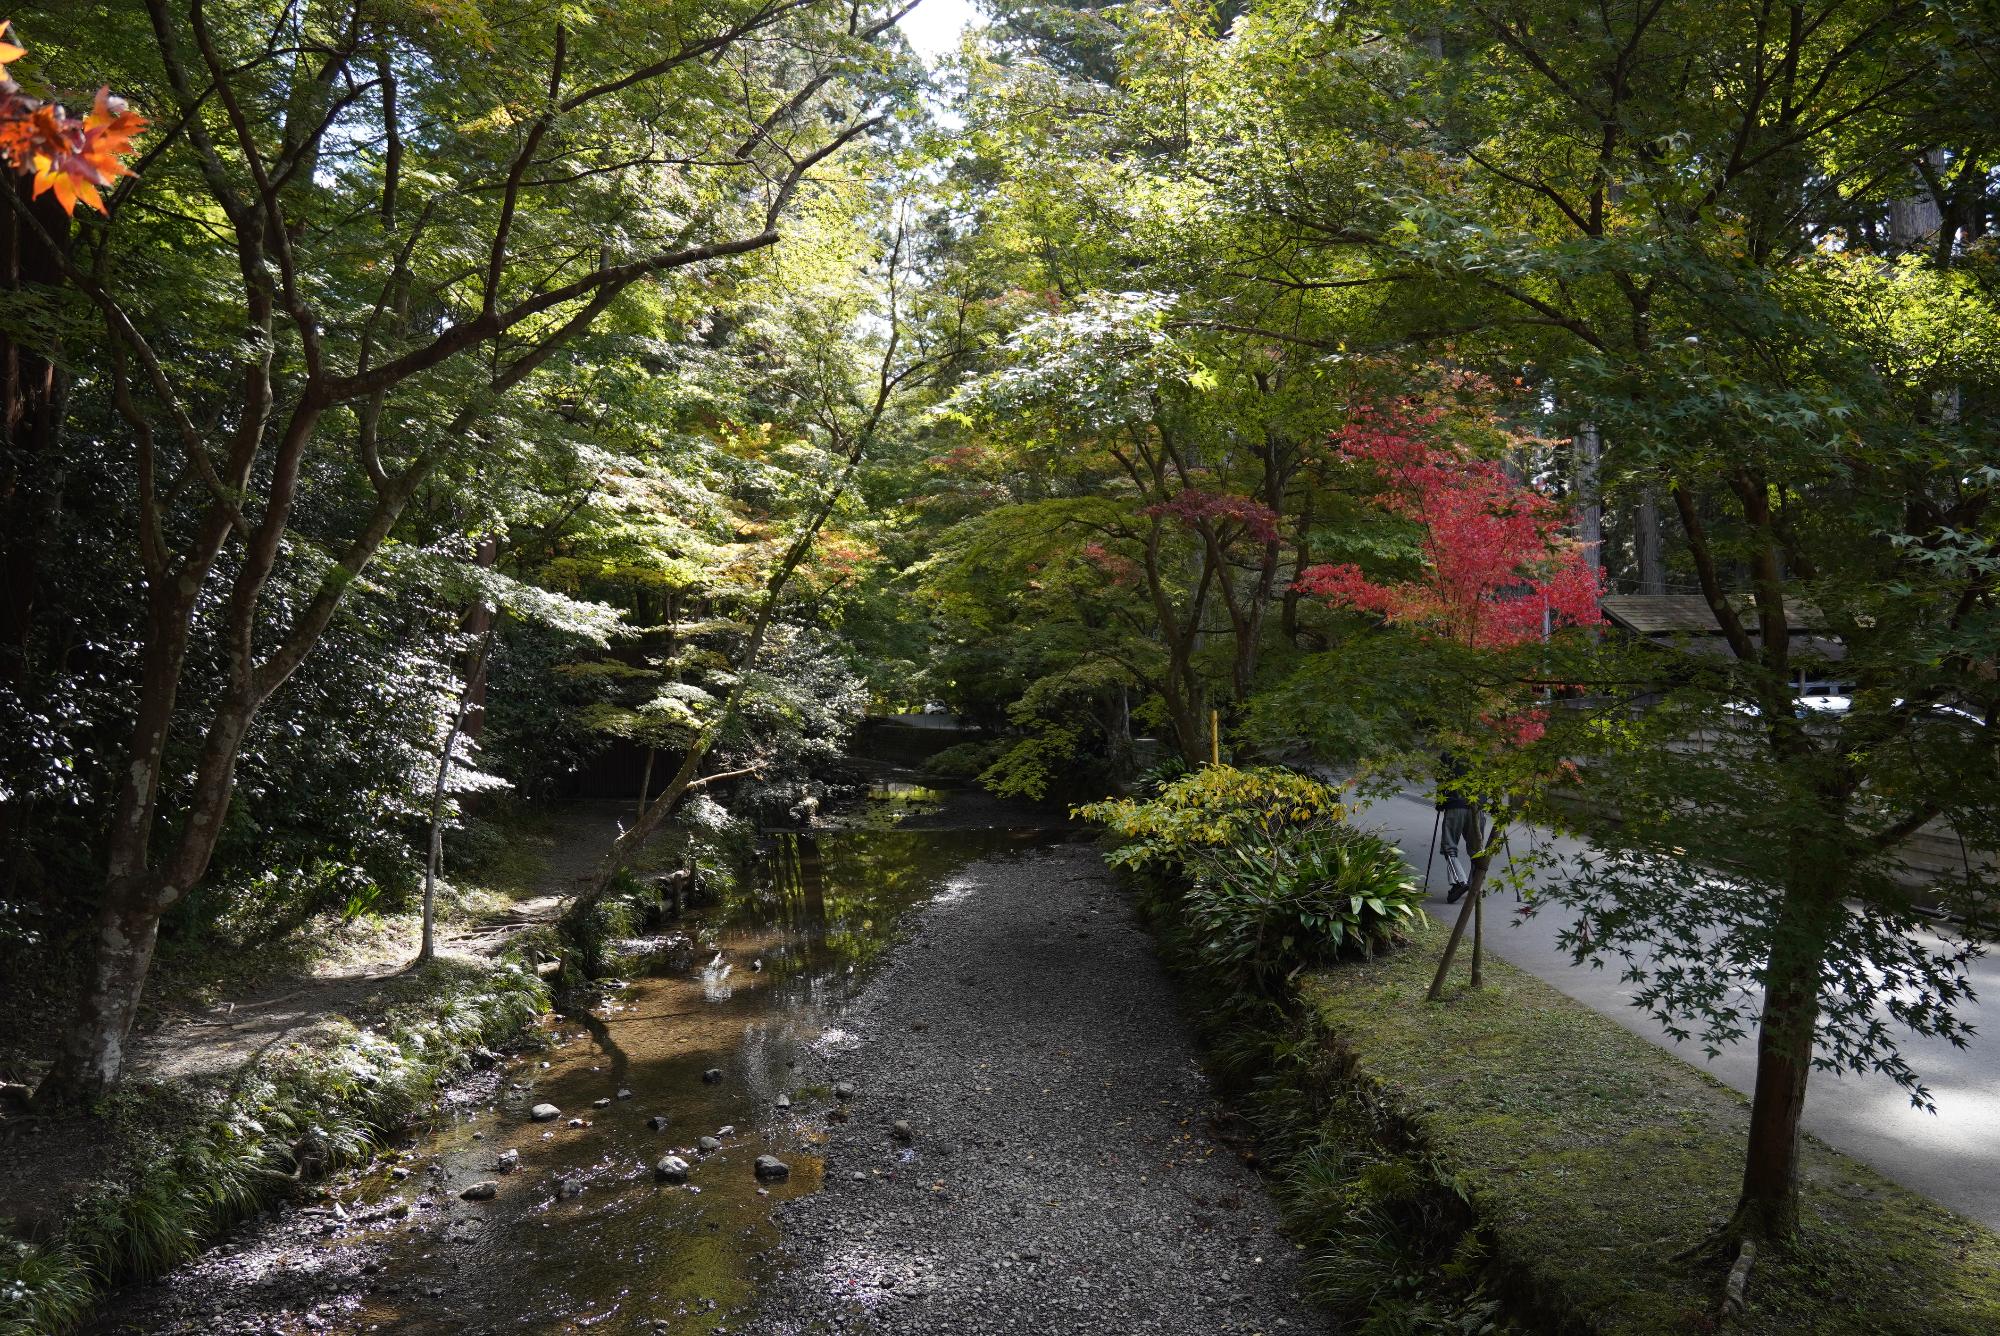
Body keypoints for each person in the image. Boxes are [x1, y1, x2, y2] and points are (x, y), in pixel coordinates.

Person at [1435, 754, 1490, 904]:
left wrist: (1440, 801)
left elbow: (1442, 778)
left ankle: (1459, 882)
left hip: (1455, 805)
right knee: (1476, 849)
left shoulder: (1449, 753)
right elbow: (1492, 780)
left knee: (1449, 847)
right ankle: (1476, 884)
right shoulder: (1486, 749)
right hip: (1478, 806)